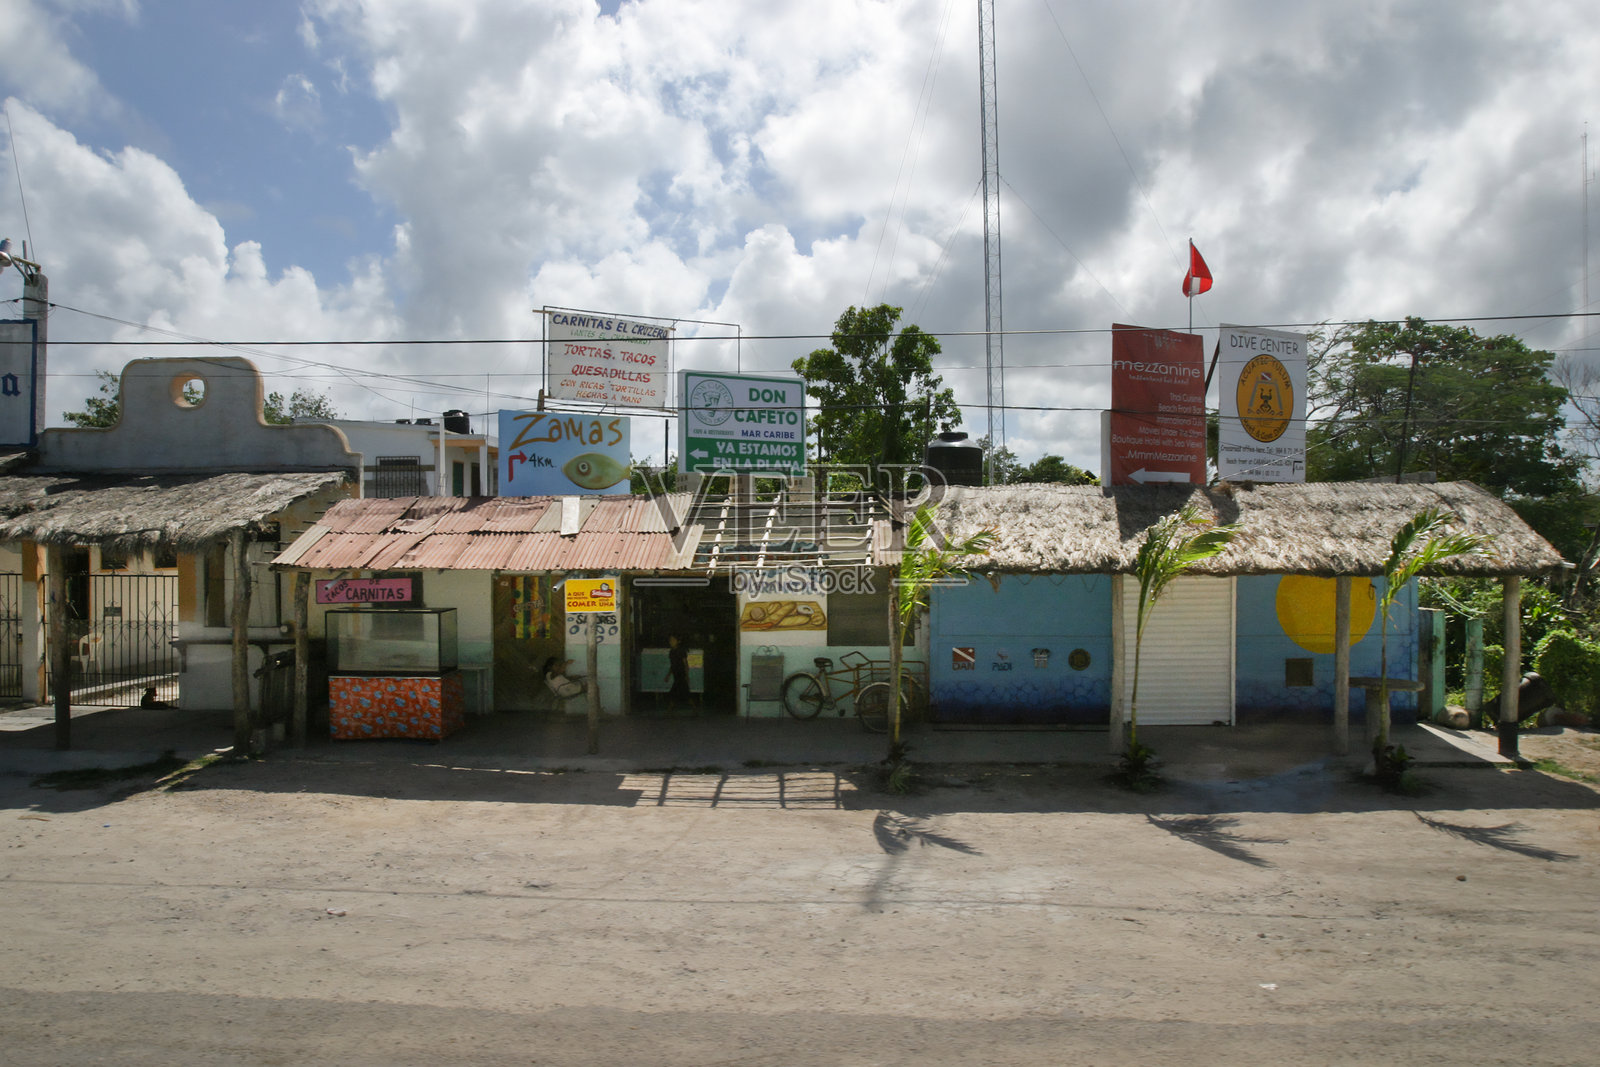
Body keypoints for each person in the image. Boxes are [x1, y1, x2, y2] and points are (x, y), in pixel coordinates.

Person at [664, 635, 691, 711]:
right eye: (670, 640)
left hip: (681, 675)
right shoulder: (672, 652)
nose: (671, 642)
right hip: (676, 675)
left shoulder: (681, 651)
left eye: (673, 640)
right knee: (684, 693)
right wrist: (668, 675)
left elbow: (685, 664)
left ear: (678, 641)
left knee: (675, 692)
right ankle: (694, 709)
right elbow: (672, 665)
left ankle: (670, 709)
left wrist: (687, 675)